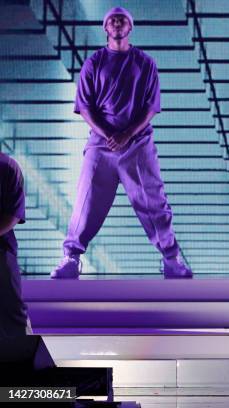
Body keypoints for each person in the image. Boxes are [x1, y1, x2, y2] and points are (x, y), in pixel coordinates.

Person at [51, 7, 191, 279]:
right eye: (112, 20)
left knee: (153, 201)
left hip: (137, 143)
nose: (117, 23)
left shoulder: (145, 63)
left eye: (122, 20)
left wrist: (126, 134)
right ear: (106, 28)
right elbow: (85, 106)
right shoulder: (93, 63)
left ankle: (172, 260)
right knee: (86, 201)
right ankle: (70, 258)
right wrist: (108, 134)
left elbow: (151, 107)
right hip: (100, 144)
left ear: (130, 28)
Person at [0, 152, 32, 336]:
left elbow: (12, 215)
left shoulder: (8, 167)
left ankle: (23, 354)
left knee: (12, 311)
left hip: (1, 250)